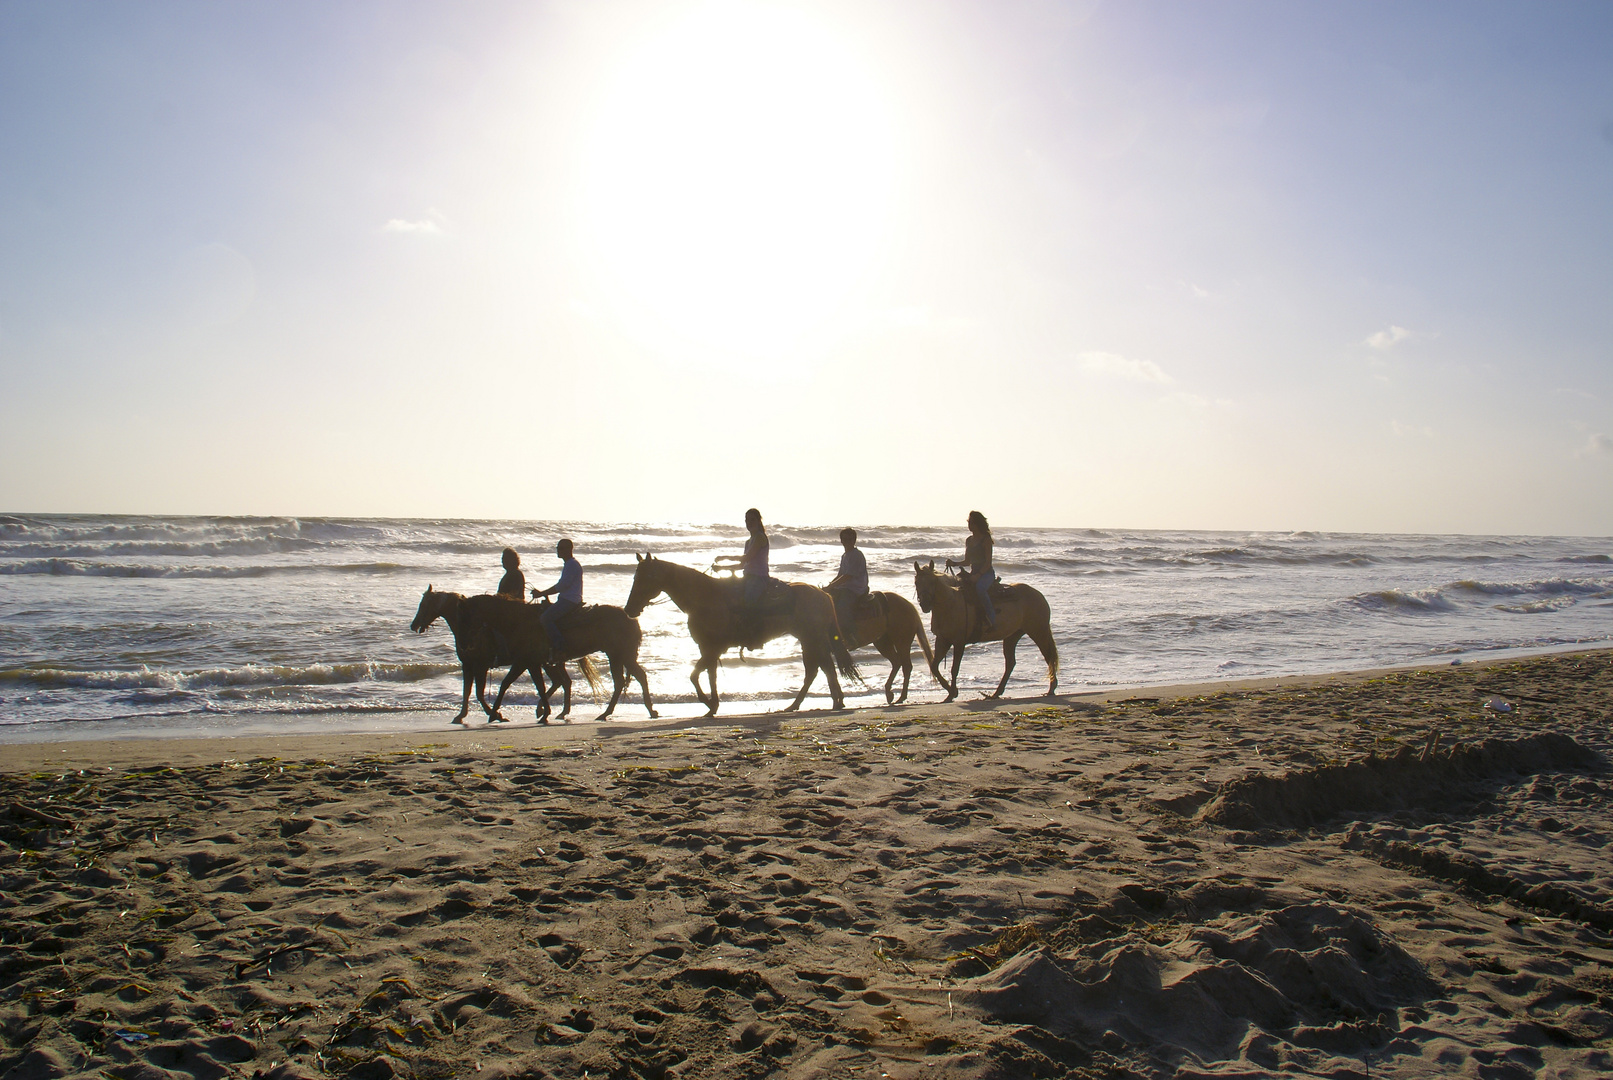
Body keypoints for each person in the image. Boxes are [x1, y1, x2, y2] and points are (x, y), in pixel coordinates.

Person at [946, 510, 996, 631]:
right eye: (969, 522)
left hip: (986, 573)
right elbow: (967, 561)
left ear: (978, 524)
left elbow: (988, 563)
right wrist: (954, 563)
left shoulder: (986, 540)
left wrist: (978, 575)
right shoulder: (969, 540)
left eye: (972, 523)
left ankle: (991, 619)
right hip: (974, 572)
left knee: (980, 589)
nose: (969, 525)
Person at [531, 539, 583, 654]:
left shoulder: (572, 565)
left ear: (569, 549)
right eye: (557, 548)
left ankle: (560, 647)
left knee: (545, 618)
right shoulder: (569, 564)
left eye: (561, 548)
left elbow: (562, 586)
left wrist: (541, 593)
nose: (558, 551)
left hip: (569, 600)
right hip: (568, 599)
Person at [714, 508, 770, 607]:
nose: (749, 522)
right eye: (747, 520)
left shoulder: (760, 537)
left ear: (758, 521)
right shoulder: (748, 542)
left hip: (759, 579)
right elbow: (742, 565)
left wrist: (724, 557)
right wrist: (722, 568)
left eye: (752, 519)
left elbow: (747, 558)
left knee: (747, 602)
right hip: (747, 578)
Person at [826, 527, 869, 609]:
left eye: (850, 539)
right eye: (845, 539)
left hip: (855, 589)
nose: (847, 541)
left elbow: (847, 576)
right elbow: (840, 575)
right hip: (845, 587)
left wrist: (831, 586)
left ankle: (845, 621)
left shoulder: (856, 555)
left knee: (841, 608)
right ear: (841, 540)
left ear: (854, 540)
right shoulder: (844, 556)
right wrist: (829, 586)